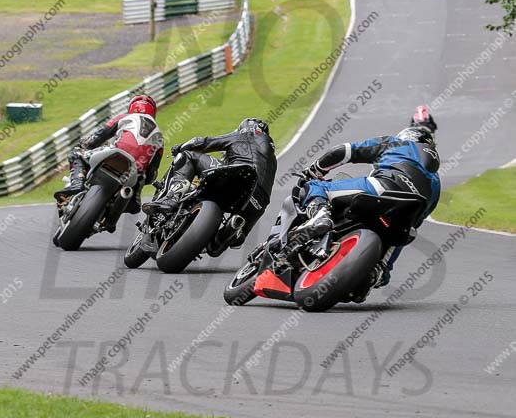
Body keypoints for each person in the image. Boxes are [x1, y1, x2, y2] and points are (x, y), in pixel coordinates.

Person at [284, 124, 440, 294]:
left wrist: (315, 170)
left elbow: (344, 151)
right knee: (406, 230)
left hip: (382, 187)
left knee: (315, 186)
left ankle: (320, 215)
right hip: (408, 212)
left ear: (407, 136)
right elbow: (413, 226)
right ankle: (379, 271)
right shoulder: (436, 181)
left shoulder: (397, 143)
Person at [145, 118, 277, 249]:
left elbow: (203, 143)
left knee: (188, 155)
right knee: (222, 245)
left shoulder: (246, 134)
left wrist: (179, 148)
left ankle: (172, 198)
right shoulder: (272, 159)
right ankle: (230, 231)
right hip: (259, 201)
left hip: (237, 175)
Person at [54, 95, 163, 215]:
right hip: (135, 173)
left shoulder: (125, 117)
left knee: (76, 154)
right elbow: (152, 174)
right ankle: (113, 214)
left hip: (115, 154)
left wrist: (84, 143)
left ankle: (77, 183)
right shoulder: (160, 138)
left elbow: (96, 137)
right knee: (134, 205)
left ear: (131, 108)